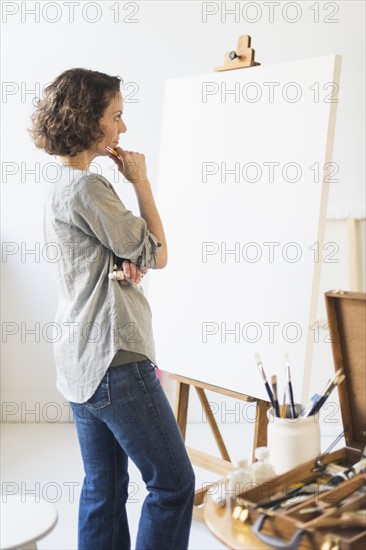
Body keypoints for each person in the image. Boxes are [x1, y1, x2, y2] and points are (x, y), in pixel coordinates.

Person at [29, 68, 196, 550]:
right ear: (88, 120)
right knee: (173, 482)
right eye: (116, 116)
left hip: (79, 359)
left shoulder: (59, 186)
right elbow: (158, 252)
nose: (123, 129)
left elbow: (94, 259)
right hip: (114, 357)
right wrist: (141, 183)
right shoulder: (88, 188)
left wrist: (120, 266)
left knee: (104, 488)